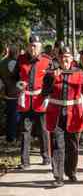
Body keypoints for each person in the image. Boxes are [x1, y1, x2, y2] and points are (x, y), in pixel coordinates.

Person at [42, 46, 83, 187]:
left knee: (73, 145)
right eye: (62, 57)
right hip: (56, 114)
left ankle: (71, 172)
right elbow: (44, 93)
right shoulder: (51, 74)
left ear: (72, 59)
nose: (64, 59)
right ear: (58, 59)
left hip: (73, 114)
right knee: (57, 145)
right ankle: (58, 176)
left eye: (67, 57)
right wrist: (53, 78)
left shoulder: (79, 73)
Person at [15, 35, 51, 169]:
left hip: (40, 101)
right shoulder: (20, 60)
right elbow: (14, 79)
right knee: (25, 132)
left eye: (35, 45)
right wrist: (19, 85)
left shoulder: (47, 61)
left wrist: (46, 94)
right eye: (31, 45)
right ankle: (25, 162)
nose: (33, 47)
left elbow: (51, 81)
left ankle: (46, 157)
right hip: (25, 102)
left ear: (40, 46)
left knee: (44, 130)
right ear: (27, 46)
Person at [0, 44, 20, 143]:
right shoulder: (13, 63)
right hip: (14, 92)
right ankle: (12, 137)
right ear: (15, 52)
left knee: (10, 115)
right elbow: (17, 78)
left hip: (6, 92)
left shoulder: (2, 62)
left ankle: (10, 137)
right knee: (14, 116)